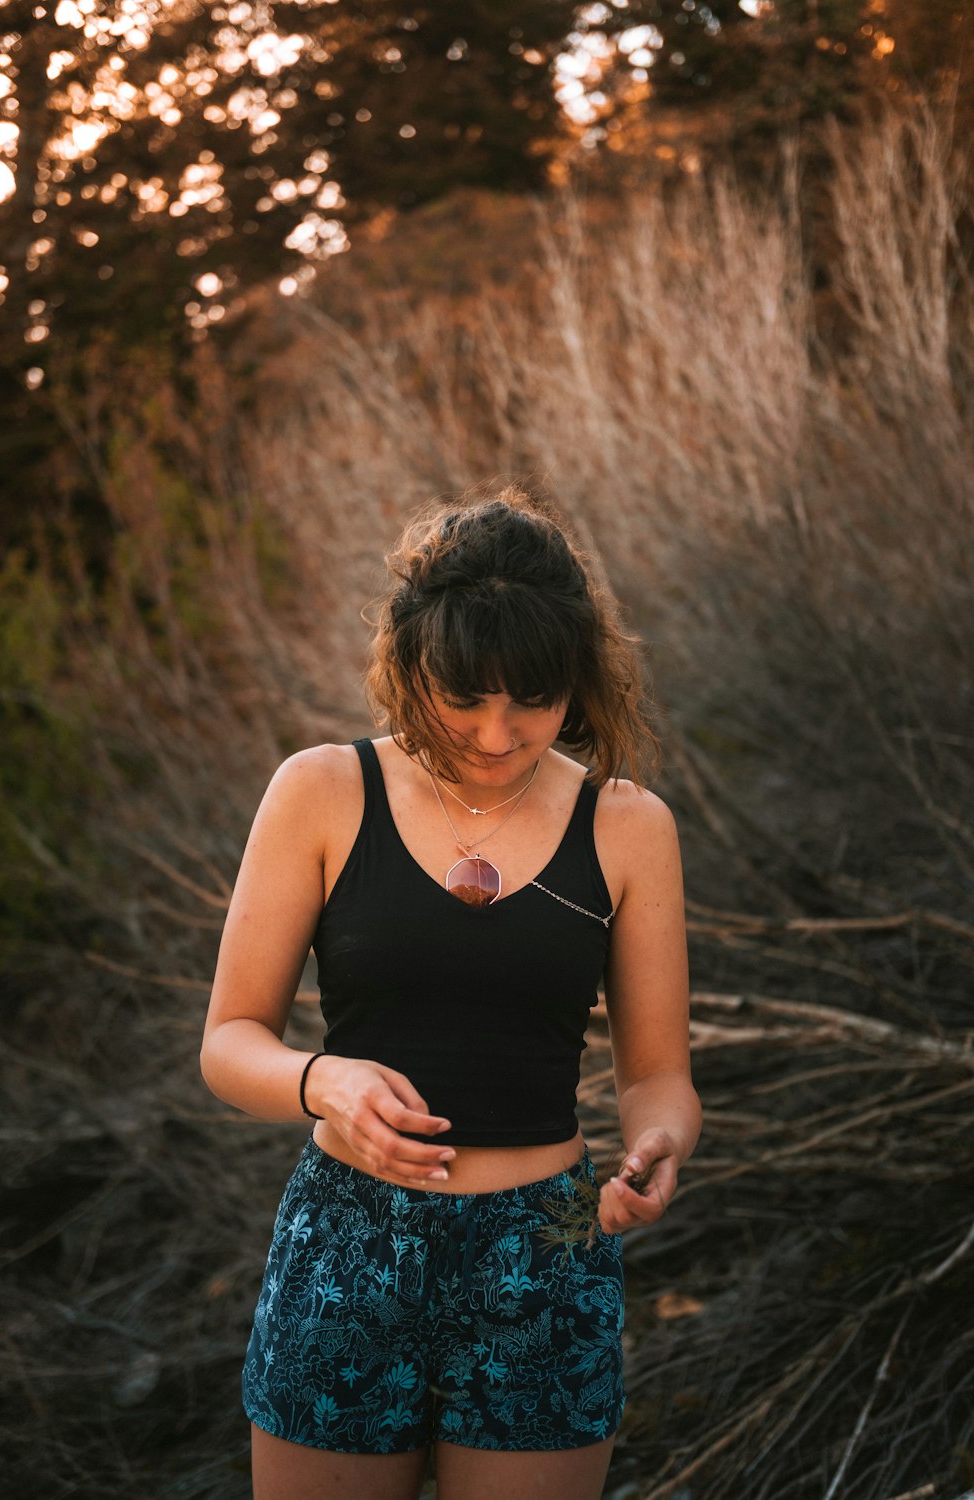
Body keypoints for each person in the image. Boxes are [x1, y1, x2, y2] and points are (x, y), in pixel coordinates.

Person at [201, 487, 699, 1500]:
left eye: (533, 698)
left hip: (548, 1251)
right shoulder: (321, 793)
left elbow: (658, 1078)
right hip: (347, 1240)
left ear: (578, 680)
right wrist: (323, 1081)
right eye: (462, 696)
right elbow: (228, 1041)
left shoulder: (627, 825)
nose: (495, 732)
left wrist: (661, 1146)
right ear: (408, 667)